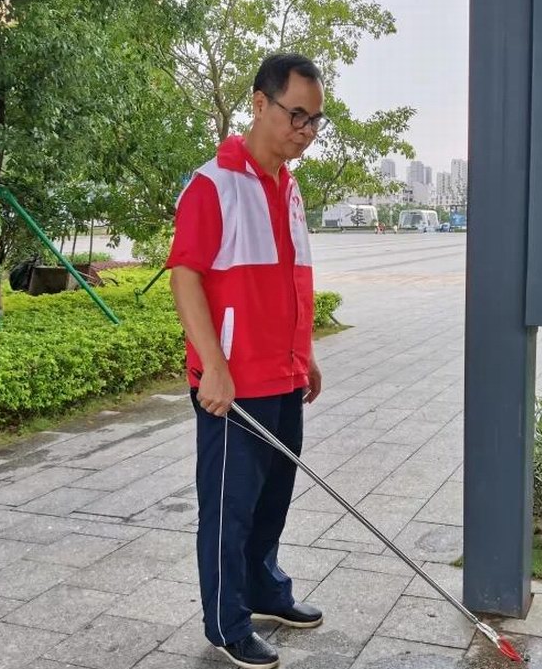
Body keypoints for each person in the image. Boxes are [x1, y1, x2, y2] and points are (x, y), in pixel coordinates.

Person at [166, 53, 327, 669]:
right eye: (296, 115)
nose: (305, 130)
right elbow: (185, 277)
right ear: (259, 104)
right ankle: (227, 623)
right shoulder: (214, 184)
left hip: (282, 376)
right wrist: (214, 366)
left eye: (315, 120)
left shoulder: (289, 188)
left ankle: (265, 591)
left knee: (273, 500)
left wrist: (303, 354)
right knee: (230, 509)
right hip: (232, 384)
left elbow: (291, 282)